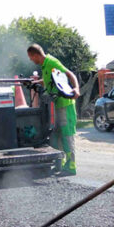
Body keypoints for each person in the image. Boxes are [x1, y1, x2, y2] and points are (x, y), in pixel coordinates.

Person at [26, 44, 80, 176]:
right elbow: (48, 80)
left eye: (31, 57)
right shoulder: (45, 66)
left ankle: (71, 166)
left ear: (36, 55)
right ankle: (60, 163)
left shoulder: (52, 62)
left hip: (65, 105)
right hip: (57, 105)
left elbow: (69, 74)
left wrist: (76, 88)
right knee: (56, 135)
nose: (31, 60)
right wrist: (34, 83)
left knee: (66, 135)